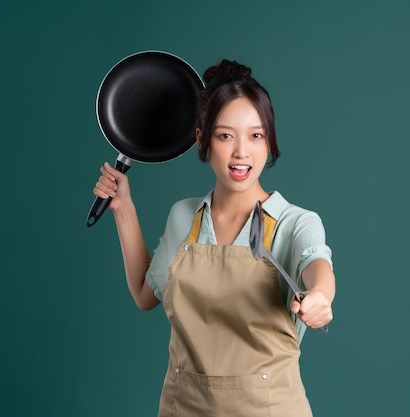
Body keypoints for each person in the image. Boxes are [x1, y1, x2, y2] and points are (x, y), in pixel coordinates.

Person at [93, 59, 336, 417]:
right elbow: (146, 295)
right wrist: (124, 209)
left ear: (270, 140)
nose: (242, 151)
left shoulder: (294, 222)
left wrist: (319, 297)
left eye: (256, 135)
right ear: (201, 139)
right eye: (226, 135)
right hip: (183, 408)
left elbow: (317, 266)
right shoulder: (183, 216)